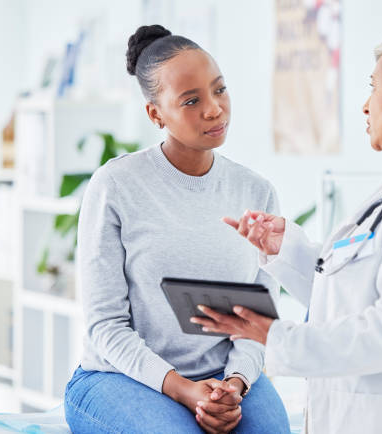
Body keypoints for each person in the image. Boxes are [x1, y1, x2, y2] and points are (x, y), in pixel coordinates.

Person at [192, 27, 382, 433]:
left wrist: (277, 337)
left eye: (374, 87)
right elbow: (352, 296)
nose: (365, 105)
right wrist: (286, 250)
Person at [64, 24, 290, 434]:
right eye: (191, 100)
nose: (214, 109)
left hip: (225, 375)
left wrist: (235, 384)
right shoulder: (116, 186)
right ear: (155, 114)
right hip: (119, 377)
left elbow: (257, 318)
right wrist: (184, 389)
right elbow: (105, 326)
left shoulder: (256, 191)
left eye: (219, 90)